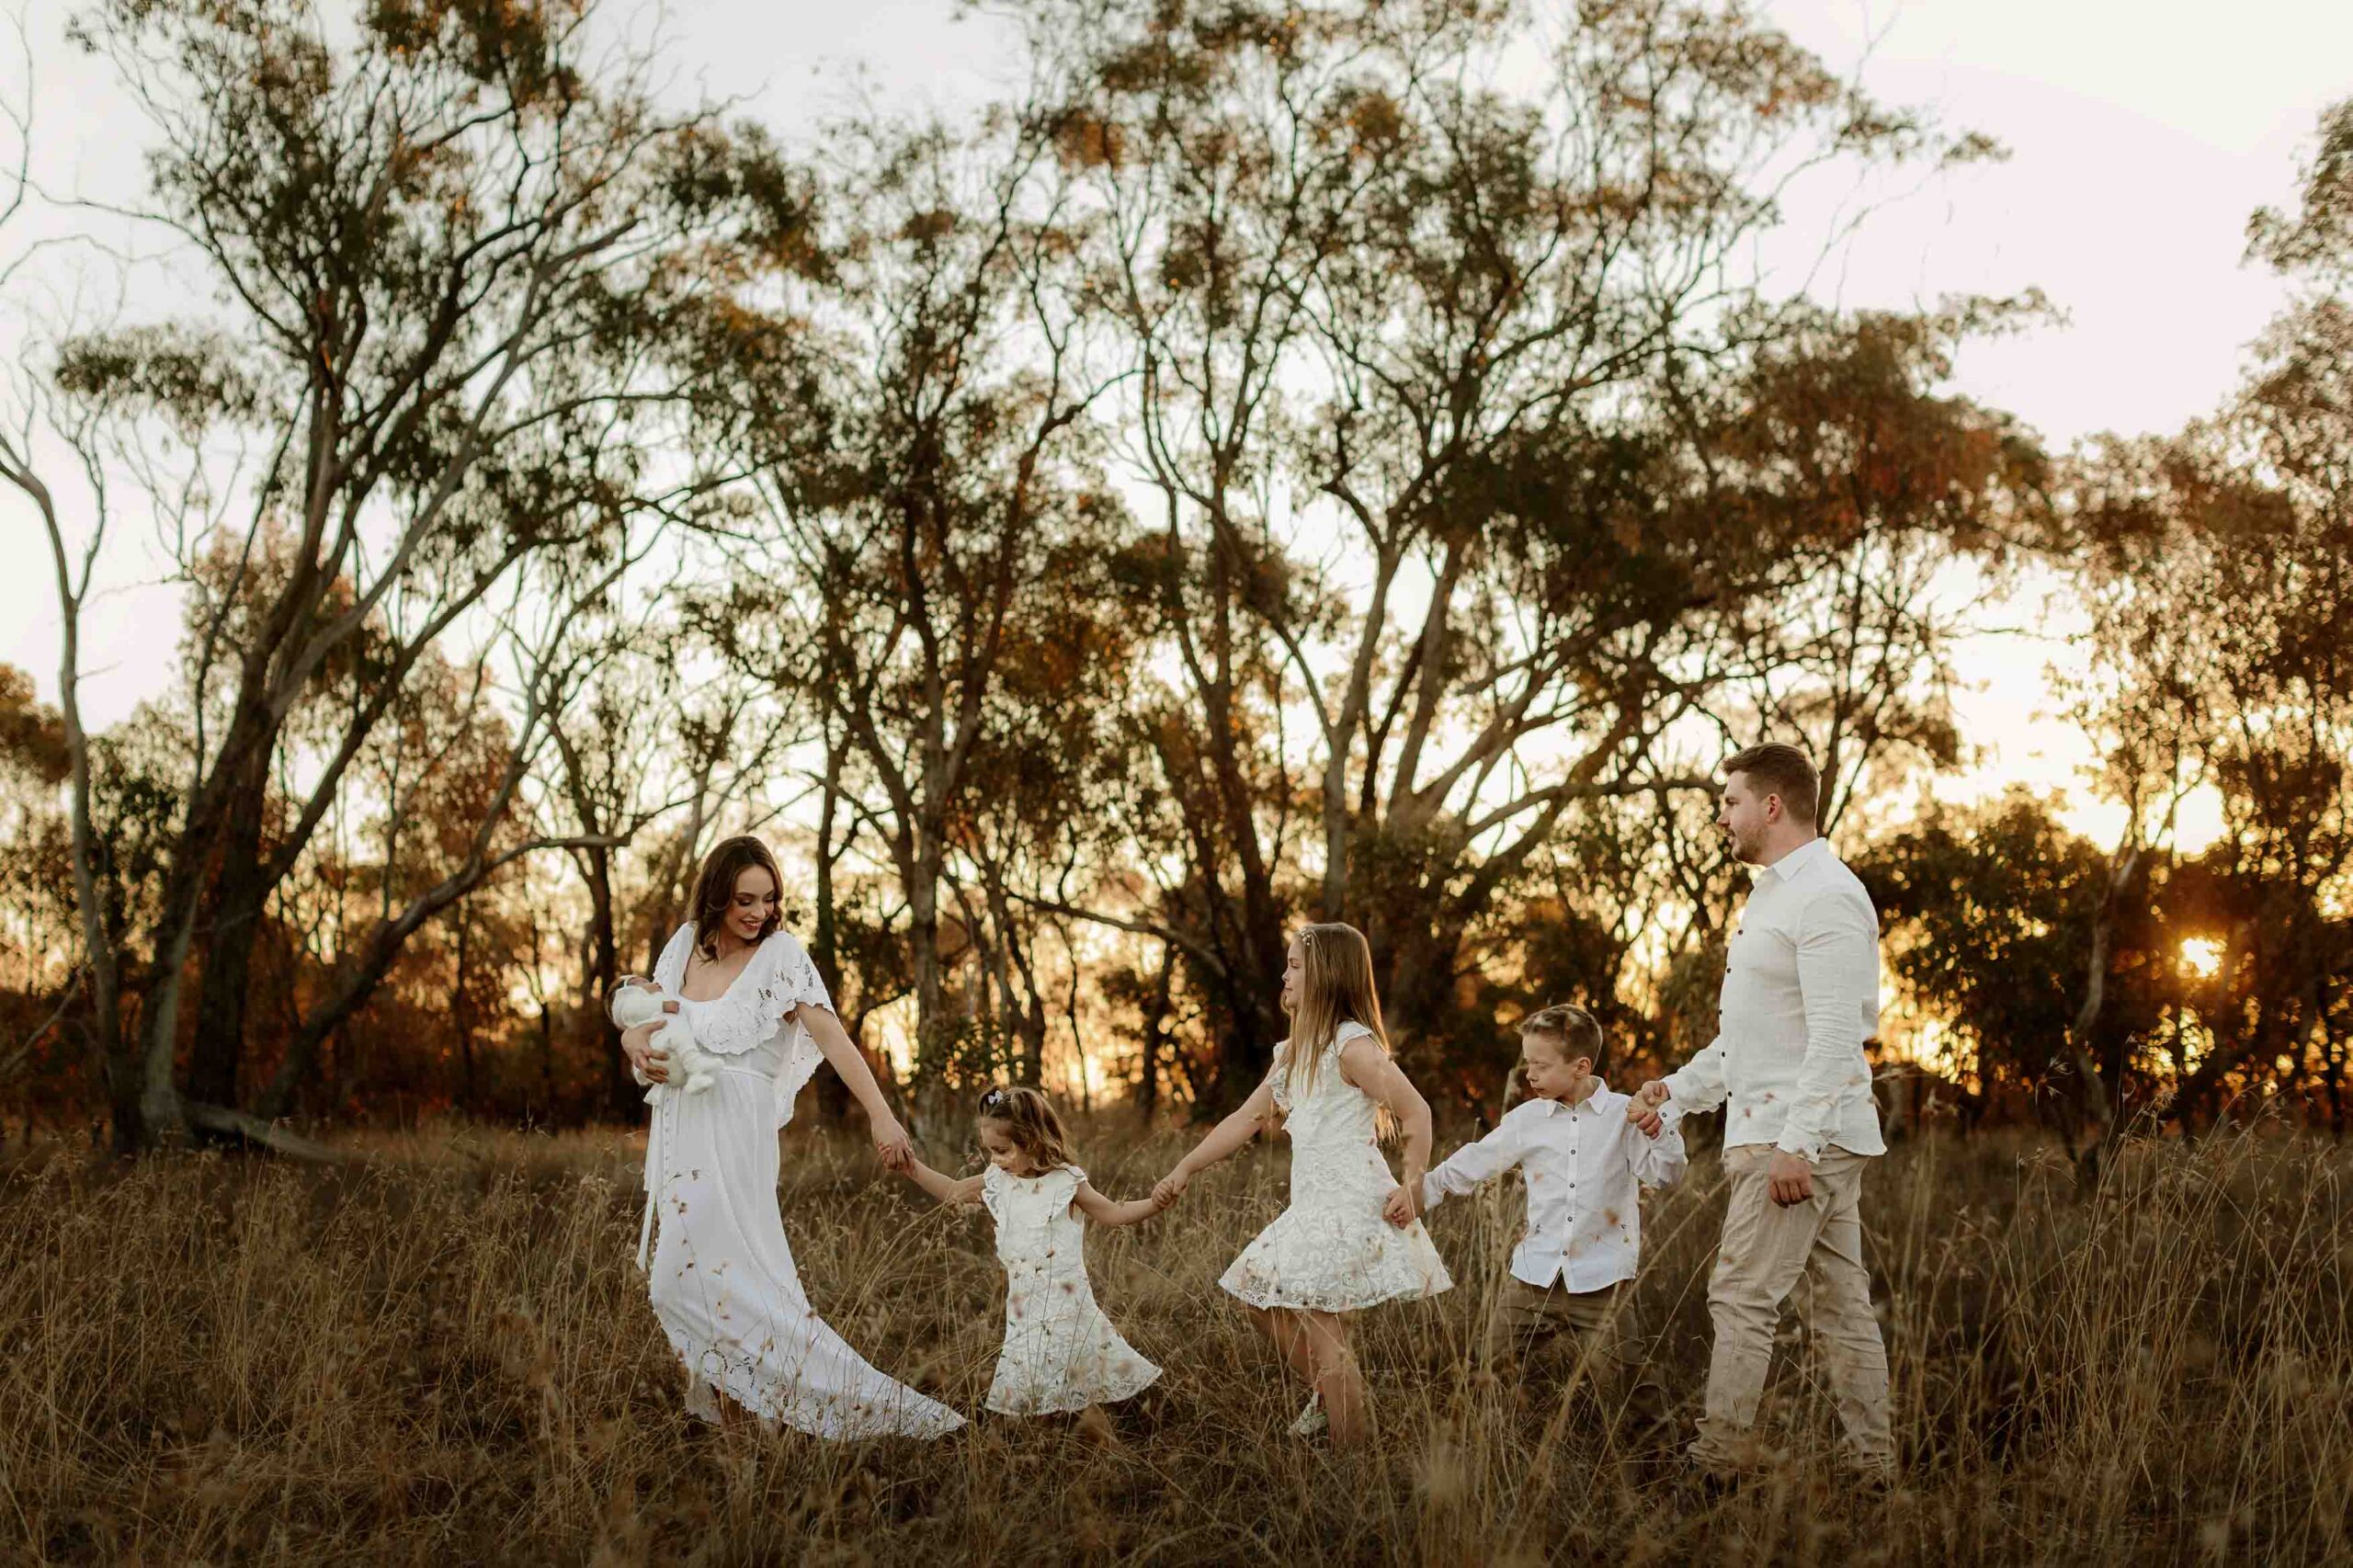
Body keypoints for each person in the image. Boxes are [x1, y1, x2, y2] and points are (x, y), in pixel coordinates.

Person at [619, 835, 963, 1438]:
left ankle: (852, 1402)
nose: (760, 912)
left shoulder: (781, 956)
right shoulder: (681, 947)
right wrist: (633, 1042)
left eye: (769, 899)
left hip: (736, 1131)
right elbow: (647, 1018)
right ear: (717, 896)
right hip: (681, 1127)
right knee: (684, 1279)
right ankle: (739, 1420)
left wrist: (881, 1115)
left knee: (723, 1276)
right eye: (745, 900)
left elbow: (833, 1039)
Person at [1626, 743, 1894, 1481]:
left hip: (1797, 1140)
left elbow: (1836, 1037)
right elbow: (1752, 1039)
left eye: (1730, 802)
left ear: (1771, 805)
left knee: (1742, 1294)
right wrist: (1674, 1094)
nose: (1721, 818)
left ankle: (1716, 1469)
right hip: (1791, 1132)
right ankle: (1874, 1472)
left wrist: (1797, 1145)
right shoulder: (1771, 896)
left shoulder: (1827, 895)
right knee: (1840, 1307)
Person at [1151, 922, 1451, 1449]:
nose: (1284, 975)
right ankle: (1329, 1397)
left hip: (1350, 1203)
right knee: (1256, 1295)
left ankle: (1352, 1453)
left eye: (1294, 966)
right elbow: (1245, 1119)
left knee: (1322, 1327)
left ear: (1327, 976)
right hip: (1313, 1207)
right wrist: (1186, 1167)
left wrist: (1413, 1185)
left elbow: (1416, 1111)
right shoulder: (1294, 1053)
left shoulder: (1351, 1047)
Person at [1392, 1004, 1684, 1443]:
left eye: (1541, 1066)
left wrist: (1659, 1128)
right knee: (1487, 1369)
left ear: (1580, 1066)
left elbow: (1667, 1176)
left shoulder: (1625, 1116)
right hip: (1534, 1277)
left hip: (1602, 1282)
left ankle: (1657, 1460)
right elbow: (1476, 1161)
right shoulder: (1527, 1120)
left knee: (1628, 1388)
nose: (1529, 1074)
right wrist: (1422, 1192)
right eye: (1528, 1063)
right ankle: (1477, 1449)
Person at [899, 1085, 1165, 1431]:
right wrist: (912, 1168)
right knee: (1036, 1383)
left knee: (1079, 1372)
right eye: (990, 1151)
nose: (995, 1160)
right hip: (1024, 1309)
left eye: (1002, 1150)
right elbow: (953, 1191)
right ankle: (1053, 1440)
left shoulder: (1066, 1182)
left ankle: (1118, 1430)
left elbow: (1115, 1213)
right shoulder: (998, 1180)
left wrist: (1155, 1203)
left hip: (1067, 1305)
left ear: (1032, 1141)